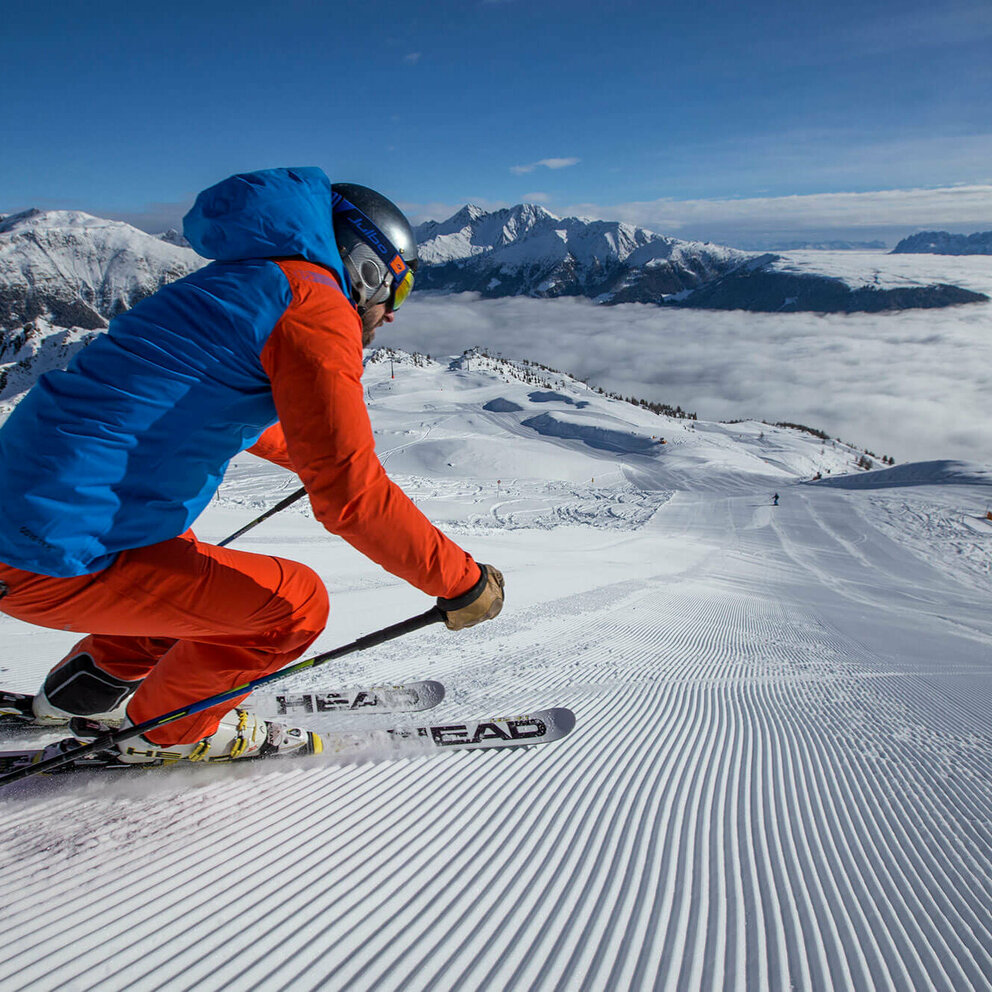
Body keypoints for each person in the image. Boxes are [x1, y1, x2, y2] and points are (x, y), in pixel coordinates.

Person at [0, 167, 503, 764]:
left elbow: (197, 405)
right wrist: (462, 583)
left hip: (35, 524)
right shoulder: (315, 305)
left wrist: (309, 456)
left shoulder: (243, 281)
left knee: (193, 576)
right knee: (293, 608)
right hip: (48, 556)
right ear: (366, 269)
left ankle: (80, 697)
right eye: (396, 291)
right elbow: (352, 500)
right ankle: (164, 734)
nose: (391, 313)